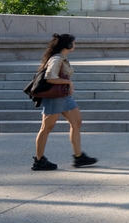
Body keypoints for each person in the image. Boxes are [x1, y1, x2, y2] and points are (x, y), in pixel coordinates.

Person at [32, 33, 98, 171]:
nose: (75, 45)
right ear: (67, 45)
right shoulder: (56, 59)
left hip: (64, 96)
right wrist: (68, 82)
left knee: (77, 122)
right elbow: (50, 78)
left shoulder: (63, 58)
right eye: (73, 42)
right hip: (55, 97)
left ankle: (79, 156)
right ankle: (39, 160)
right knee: (46, 128)